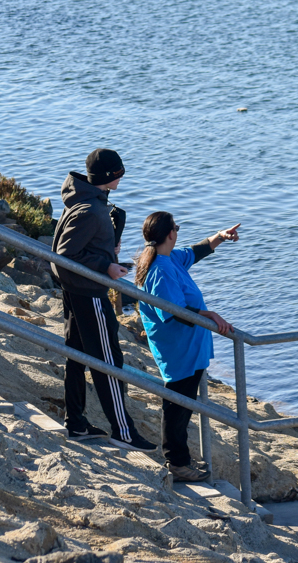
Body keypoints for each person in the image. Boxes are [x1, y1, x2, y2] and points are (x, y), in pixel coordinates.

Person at [50, 148, 156, 451]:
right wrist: (105, 266)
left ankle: (76, 422)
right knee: (109, 361)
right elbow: (64, 256)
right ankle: (123, 432)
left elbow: (79, 249)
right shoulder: (90, 210)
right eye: (119, 173)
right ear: (110, 176)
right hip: (89, 294)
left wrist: (109, 252)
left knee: (77, 355)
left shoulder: (86, 201)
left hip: (76, 291)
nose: (122, 178)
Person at [135, 211, 240, 482]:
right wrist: (211, 315)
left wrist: (220, 237)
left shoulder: (170, 259)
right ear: (170, 233)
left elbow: (195, 251)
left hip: (190, 350)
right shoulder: (160, 270)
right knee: (177, 406)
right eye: (177, 228)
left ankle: (180, 459)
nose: (178, 232)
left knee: (184, 404)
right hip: (178, 350)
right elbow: (175, 312)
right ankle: (177, 462)